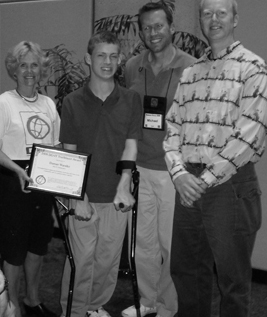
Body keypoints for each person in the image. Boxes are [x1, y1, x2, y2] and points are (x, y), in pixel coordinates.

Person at [163, 0, 267, 316]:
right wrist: (180, 174)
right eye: (207, 13)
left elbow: (252, 133)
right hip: (189, 182)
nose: (214, 19)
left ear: (235, 19)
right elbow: (172, 126)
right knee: (188, 272)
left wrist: (204, 180)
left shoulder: (254, 67)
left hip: (230, 186)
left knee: (232, 281)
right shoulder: (191, 72)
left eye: (222, 12)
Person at [59, 30, 142, 317]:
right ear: (88, 59)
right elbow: (70, 153)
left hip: (116, 196)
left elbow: (131, 145)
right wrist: (78, 195)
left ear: (120, 60)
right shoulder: (72, 102)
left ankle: (94, 308)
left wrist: (125, 185)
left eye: (113, 56)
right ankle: (74, 312)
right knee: (81, 262)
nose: (107, 62)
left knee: (107, 262)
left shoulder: (131, 100)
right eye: (101, 55)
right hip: (84, 196)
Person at [121, 2, 195, 317]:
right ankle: (146, 300)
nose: (153, 33)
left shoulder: (192, 67)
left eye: (159, 26)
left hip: (171, 171)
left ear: (171, 28)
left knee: (169, 244)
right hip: (139, 168)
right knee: (142, 244)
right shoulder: (131, 66)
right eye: (147, 27)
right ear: (141, 31)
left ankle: (167, 306)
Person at [0, 41, 61, 317]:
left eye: (34, 65)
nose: (29, 71)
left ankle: (32, 299)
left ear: (41, 70)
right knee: (14, 249)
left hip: (42, 181)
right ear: (14, 69)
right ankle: (12, 305)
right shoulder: (4, 102)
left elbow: (56, 146)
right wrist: (17, 170)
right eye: (23, 65)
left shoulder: (48, 104)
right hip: (14, 182)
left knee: (37, 245)